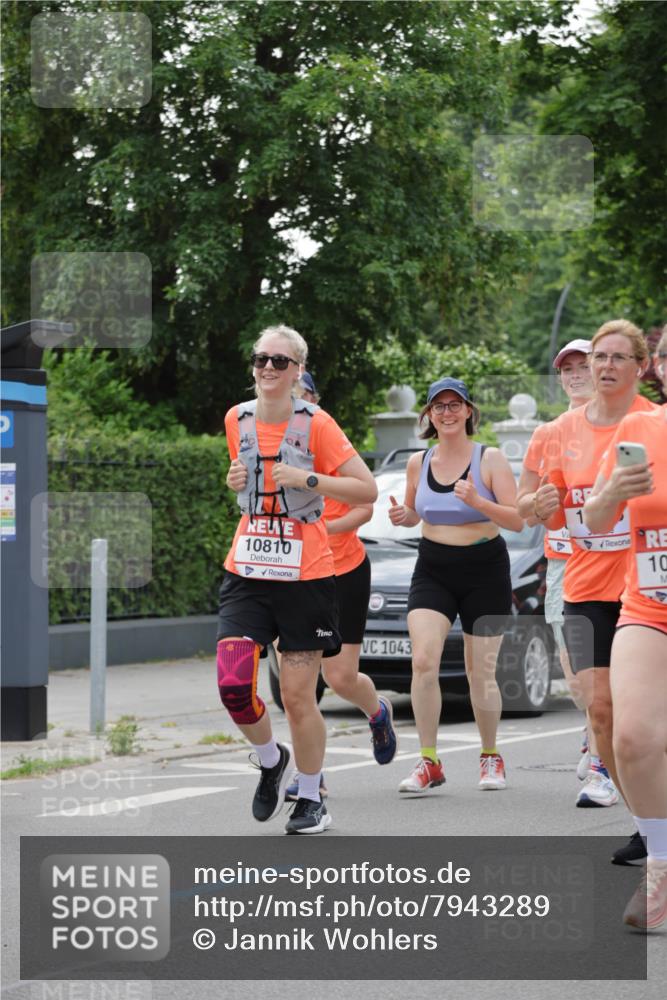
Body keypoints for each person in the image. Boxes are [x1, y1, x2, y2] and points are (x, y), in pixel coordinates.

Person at [219, 325, 377, 834]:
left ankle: (311, 798)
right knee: (232, 684)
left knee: (296, 696)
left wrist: (307, 478)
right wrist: (234, 480)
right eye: (261, 359)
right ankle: (271, 760)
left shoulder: (318, 425)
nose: (268, 368)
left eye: (280, 361)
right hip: (248, 568)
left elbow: (366, 489)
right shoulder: (236, 418)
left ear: (298, 371)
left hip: (305, 574)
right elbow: (245, 483)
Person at [534, 320, 657, 858]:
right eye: (596, 358)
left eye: (615, 357)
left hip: (642, 586)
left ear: (640, 367)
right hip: (584, 587)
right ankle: (646, 824)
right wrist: (540, 506)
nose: (603, 367)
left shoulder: (651, 422)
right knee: (601, 711)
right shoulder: (561, 431)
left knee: (641, 716)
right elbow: (548, 510)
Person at [389, 377, 524, 794]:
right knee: (423, 661)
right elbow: (415, 512)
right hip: (433, 568)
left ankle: (490, 755)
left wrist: (478, 502)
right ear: (429, 415)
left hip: (485, 570)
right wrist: (404, 518)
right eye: (438, 406)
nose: (446, 413)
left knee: (479, 672)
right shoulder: (419, 462)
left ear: (468, 411)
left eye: (454, 405)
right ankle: (428, 761)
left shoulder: (490, 459)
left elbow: (517, 520)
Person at [583, 325, 667, 929]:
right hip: (649, 603)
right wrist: (613, 489)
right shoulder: (639, 428)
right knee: (631, 738)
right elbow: (594, 517)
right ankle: (660, 862)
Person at [285, 371, 398, 800]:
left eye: (302, 395)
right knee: (297, 687)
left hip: (343, 571)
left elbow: (365, 506)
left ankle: (378, 712)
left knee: (340, 677)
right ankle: (310, 775)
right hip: (292, 575)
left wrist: (323, 529)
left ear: (314, 400)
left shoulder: (329, 440)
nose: (295, 403)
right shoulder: (270, 445)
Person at [516, 339, 613, 807]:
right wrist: (536, 504)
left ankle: (602, 765)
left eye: (583, 365)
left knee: (612, 674)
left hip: (618, 562)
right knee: (577, 679)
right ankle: (596, 731)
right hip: (565, 564)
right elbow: (522, 507)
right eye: (566, 368)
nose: (575, 374)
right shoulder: (549, 434)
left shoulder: (623, 426)